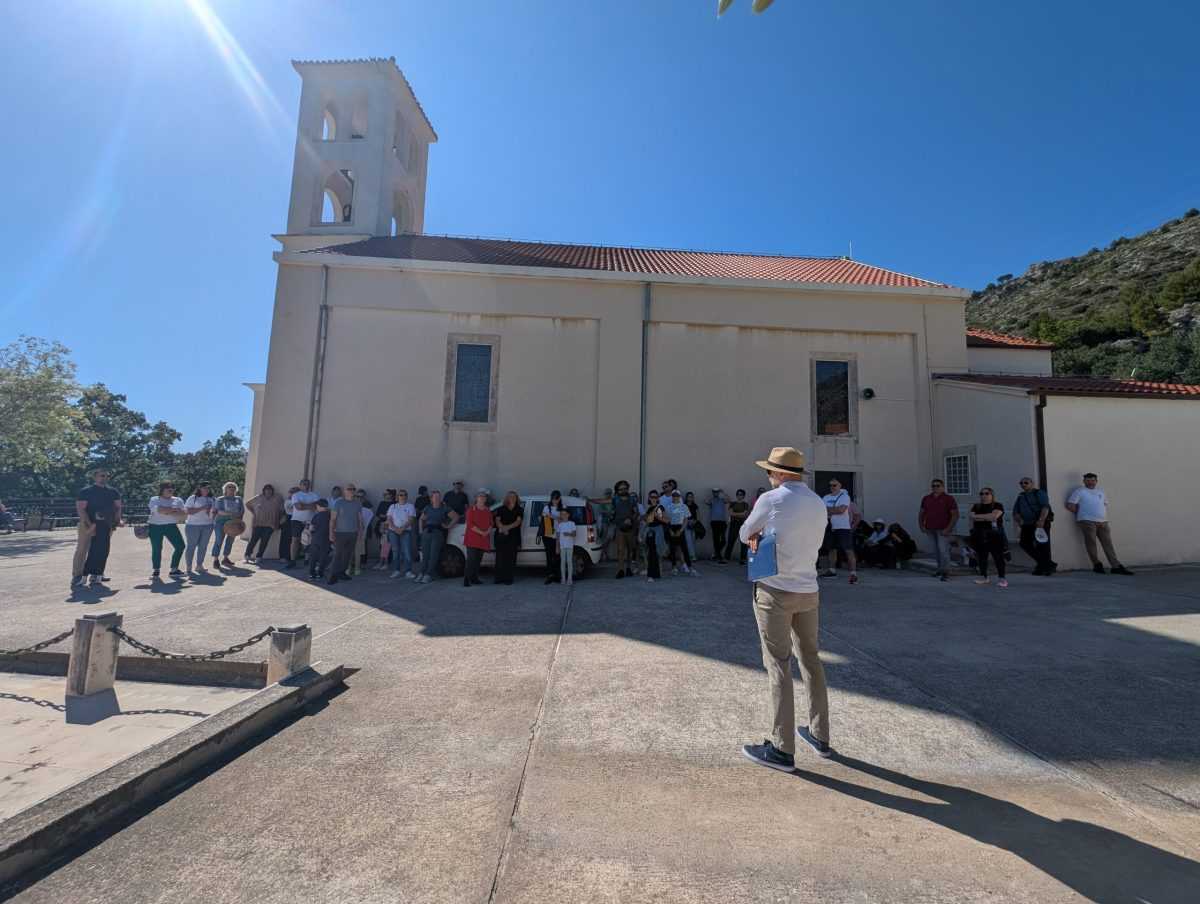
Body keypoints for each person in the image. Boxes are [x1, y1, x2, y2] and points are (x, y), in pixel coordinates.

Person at [740, 446, 832, 771]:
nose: (768, 476)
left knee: (778, 665)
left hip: (775, 589)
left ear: (779, 473)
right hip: (808, 589)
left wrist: (761, 533)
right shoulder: (818, 502)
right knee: (811, 660)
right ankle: (820, 735)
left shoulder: (771, 499)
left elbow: (745, 533)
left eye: (769, 471)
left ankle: (782, 748)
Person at [1066, 473, 1133, 576]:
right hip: (1087, 521)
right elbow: (1070, 505)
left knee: (1108, 544)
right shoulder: (1079, 491)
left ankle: (1116, 566)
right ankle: (1097, 564)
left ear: (1096, 481)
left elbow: (1104, 504)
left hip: (1103, 522)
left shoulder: (1101, 492)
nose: (1090, 482)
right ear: (1084, 481)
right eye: (1088, 480)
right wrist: (1083, 514)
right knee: (1091, 543)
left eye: (1093, 480)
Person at [74, 468, 123, 588]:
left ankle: (97, 574)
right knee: (82, 549)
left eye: (106, 476)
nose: (104, 478)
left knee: (102, 549)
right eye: (102, 475)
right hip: (87, 523)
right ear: (95, 477)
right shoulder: (86, 491)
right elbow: (81, 509)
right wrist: (89, 525)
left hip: (106, 524)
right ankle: (78, 575)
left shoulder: (113, 492)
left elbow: (118, 507)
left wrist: (117, 521)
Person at [1013, 477, 1057, 576]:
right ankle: (1048, 564)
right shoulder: (1021, 495)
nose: (1023, 484)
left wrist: (1041, 520)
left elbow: (1045, 507)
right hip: (1027, 524)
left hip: (1039, 523)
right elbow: (1016, 511)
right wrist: (1019, 519)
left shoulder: (1039, 493)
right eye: (1021, 483)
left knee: (1042, 545)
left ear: (1032, 483)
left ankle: (1042, 567)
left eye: (1026, 482)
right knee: (1024, 543)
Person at [918, 478, 959, 581]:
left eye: (937, 486)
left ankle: (946, 572)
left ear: (942, 487)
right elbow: (921, 513)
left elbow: (955, 515)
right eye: (933, 486)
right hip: (930, 529)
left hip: (943, 529)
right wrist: (921, 526)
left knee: (943, 550)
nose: (935, 487)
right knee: (935, 551)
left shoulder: (949, 498)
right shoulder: (926, 498)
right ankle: (939, 569)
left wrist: (948, 529)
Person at [820, 478, 858, 584]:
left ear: (840, 486)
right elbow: (821, 510)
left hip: (843, 527)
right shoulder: (826, 497)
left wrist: (827, 509)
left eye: (834, 485)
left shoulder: (845, 496)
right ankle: (832, 571)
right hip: (830, 527)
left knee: (848, 550)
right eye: (830, 485)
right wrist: (834, 509)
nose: (832, 487)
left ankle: (853, 573)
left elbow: (841, 510)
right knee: (832, 549)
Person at [969, 488, 1008, 587]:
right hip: (979, 533)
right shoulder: (976, 506)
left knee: (998, 557)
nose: (984, 495)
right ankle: (984, 577)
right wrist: (987, 517)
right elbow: (972, 517)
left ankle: (1002, 578)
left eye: (987, 493)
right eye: (981, 493)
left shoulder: (997, 505)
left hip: (994, 534)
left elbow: (994, 517)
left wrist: (978, 517)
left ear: (992, 495)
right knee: (982, 557)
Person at [147, 482, 186, 579]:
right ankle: (156, 570)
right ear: (162, 489)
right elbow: (159, 510)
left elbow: (184, 514)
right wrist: (174, 510)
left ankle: (174, 569)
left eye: (172, 487)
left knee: (180, 546)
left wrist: (167, 511)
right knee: (157, 548)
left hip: (171, 526)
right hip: (155, 526)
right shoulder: (154, 499)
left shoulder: (178, 500)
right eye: (168, 488)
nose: (171, 489)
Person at [417, 490, 457, 583]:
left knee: (433, 555)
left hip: (438, 532)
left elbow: (456, 517)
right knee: (425, 554)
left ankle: (429, 574)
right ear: (431, 498)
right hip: (427, 532)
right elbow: (421, 519)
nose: (437, 499)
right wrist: (421, 531)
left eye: (439, 497)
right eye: (435, 497)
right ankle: (422, 573)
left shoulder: (445, 508)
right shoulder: (428, 508)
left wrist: (448, 526)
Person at [327, 484, 362, 584]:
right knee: (338, 554)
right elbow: (333, 519)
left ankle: (341, 573)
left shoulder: (358, 503)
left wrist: (360, 532)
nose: (351, 491)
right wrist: (331, 533)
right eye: (349, 489)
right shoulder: (339, 503)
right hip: (340, 533)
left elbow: (359, 519)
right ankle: (332, 575)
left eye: (353, 489)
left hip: (353, 533)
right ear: (344, 491)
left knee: (348, 555)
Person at [245, 484, 284, 564]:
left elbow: (281, 510)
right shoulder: (259, 497)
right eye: (267, 489)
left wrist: (278, 519)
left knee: (264, 541)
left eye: (270, 490)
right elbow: (247, 504)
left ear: (272, 491)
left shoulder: (278, 498)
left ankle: (259, 557)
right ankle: (247, 555)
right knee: (253, 540)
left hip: (271, 524)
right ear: (264, 490)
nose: (268, 491)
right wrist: (254, 512)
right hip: (258, 522)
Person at [183, 483, 216, 574]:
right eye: (204, 488)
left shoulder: (212, 499)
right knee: (191, 546)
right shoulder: (193, 498)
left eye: (208, 488)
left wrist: (212, 512)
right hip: (193, 525)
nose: (206, 490)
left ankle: (199, 566)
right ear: (200, 488)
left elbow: (214, 512)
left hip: (208, 526)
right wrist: (203, 508)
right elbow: (188, 511)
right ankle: (188, 567)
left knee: (203, 547)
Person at [286, 479, 319, 569]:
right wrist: (310, 505)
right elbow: (298, 507)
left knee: (308, 541)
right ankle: (293, 560)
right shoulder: (296, 495)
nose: (306, 485)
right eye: (304, 484)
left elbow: (316, 506)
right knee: (295, 540)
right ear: (300, 485)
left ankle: (307, 559)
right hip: (296, 520)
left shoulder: (314, 495)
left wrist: (303, 505)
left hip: (310, 521)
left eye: (307, 484)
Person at [210, 482, 244, 568]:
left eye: (233, 487)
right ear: (225, 489)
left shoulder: (239, 499)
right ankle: (215, 559)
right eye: (229, 487)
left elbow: (242, 510)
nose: (231, 489)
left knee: (230, 541)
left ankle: (225, 558)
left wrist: (239, 519)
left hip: (234, 523)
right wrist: (231, 514)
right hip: (221, 522)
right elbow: (219, 511)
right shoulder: (220, 499)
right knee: (219, 540)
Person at [493, 491, 523, 585]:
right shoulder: (501, 509)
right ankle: (499, 578)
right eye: (510, 496)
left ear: (517, 498)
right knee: (500, 558)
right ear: (507, 498)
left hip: (513, 536)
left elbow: (518, 522)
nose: (512, 498)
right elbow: (497, 520)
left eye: (514, 497)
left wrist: (507, 528)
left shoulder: (519, 509)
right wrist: (503, 528)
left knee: (511, 558)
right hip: (501, 536)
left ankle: (508, 579)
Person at [666, 490, 698, 576]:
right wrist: (670, 530)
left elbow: (686, 520)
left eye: (677, 495)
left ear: (679, 496)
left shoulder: (684, 506)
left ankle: (690, 568)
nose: (675, 497)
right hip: (672, 527)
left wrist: (681, 530)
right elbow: (667, 520)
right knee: (672, 549)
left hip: (681, 528)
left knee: (684, 549)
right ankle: (674, 568)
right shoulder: (668, 507)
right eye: (674, 495)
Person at [611, 481, 640, 579]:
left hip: (631, 528)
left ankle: (628, 568)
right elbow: (604, 502)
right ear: (617, 490)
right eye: (621, 489)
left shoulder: (632, 500)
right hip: (620, 527)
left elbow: (636, 512)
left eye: (625, 488)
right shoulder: (615, 499)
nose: (623, 490)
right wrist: (589, 500)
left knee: (630, 549)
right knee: (620, 550)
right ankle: (620, 570)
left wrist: (630, 519)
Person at [464, 492, 493, 586]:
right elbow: (470, 524)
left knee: (478, 560)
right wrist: (482, 532)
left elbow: (491, 523)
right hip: (472, 539)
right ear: (476, 498)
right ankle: (466, 579)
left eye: (484, 496)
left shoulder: (488, 510)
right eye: (480, 496)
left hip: (483, 539)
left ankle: (474, 578)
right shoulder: (471, 510)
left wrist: (487, 531)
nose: (482, 498)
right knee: (471, 560)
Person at [386, 489, 417, 578]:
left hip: (405, 531)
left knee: (407, 551)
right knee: (395, 551)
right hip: (393, 531)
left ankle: (408, 571)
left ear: (407, 496)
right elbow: (389, 519)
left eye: (405, 495)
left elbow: (411, 520)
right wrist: (395, 529)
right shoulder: (392, 506)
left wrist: (402, 529)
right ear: (397, 496)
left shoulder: (410, 506)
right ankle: (396, 570)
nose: (403, 496)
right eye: (401, 495)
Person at [538, 490, 565, 585]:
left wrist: (552, 516)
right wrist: (556, 517)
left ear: (559, 498)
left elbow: (564, 519)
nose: (555, 501)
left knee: (558, 556)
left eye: (556, 499)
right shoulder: (547, 507)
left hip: (559, 535)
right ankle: (550, 576)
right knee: (549, 556)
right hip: (548, 535)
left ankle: (557, 576)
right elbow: (544, 517)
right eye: (553, 499)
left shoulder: (563, 507)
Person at [642, 490, 668, 582]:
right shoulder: (649, 508)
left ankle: (655, 574)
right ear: (649, 498)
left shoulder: (660, 507)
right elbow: (647, 522)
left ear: (657, 498)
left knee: (656, 552)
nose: (653, 499)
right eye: (652, 497)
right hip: (650, 532)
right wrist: (642, 533)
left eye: (655, 497)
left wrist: (657, 517)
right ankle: (652, 574)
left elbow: (666, 520)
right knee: (652, 552)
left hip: (658, 531)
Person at [307, 499, 332, 580]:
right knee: (323, 557)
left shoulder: (316, 516)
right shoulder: (330, 515)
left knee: (313, 557)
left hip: (316, 539)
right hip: (326, 539)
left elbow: (311, 528)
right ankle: (320, 574)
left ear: (319, 506)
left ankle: (312, 574)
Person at [725, 489, 751, 564]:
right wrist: (740, 514)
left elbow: (745, 514)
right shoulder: (732, 503)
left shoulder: (745, 504)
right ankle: (726, 558)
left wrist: (735, 514)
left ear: (743, 496)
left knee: (743, 541)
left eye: (741, 494)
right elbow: (730, 513)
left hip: (742, 524)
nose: (739, 496)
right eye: (738, 494)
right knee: (730, 541)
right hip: (733, 524)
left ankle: (743, 559)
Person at [555, 509, 578, 584]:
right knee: (562, 562)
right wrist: (557, 547)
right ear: (561, 516)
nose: (564, 515)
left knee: (569, 562)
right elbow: (557, 537)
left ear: (568, 515)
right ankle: (563, 578)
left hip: (570, 545)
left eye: (565, 514)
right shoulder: (559, 525)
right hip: (562, 546)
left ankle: (570, 579)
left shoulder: (572, 523)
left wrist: (568, 534)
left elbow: (574, 534)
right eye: (562, 514)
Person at [707, 489, 728, 564]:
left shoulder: (722, 500)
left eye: (717, 492)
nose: (716, 493)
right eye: (714, 492)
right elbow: (706, 501)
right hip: (714, 522)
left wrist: (723, 492)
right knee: (716, 540)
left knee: (723, 540)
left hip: (722, 522)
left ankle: (715, 554)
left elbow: (729, 500)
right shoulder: (712, 500)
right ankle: (719, 557)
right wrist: (712, 496)